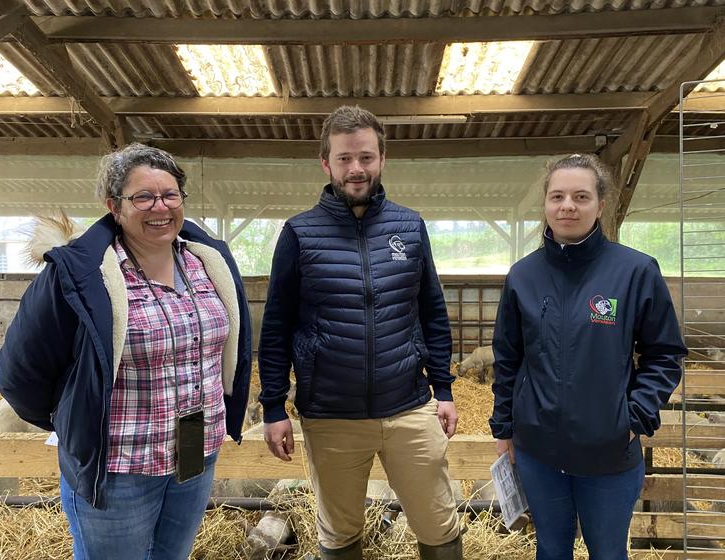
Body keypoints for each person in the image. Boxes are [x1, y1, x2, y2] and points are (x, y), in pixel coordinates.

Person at [0, 144, 252, 560]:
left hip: (195, 452)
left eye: (170, 195)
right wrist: (73, 418)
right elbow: (19, 373)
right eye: (143, 197)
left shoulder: (208, 262)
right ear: (113, 206)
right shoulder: (80, 273)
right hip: (118, 463)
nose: (160, 207)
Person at [258, 105, 462, 560]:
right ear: (326, 162)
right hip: (331, 415)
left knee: (438, 522)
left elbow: (431, 311)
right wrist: (273, 405)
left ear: (382, 159)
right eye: (345, 158)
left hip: (409, 407)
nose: (356, 169)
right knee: (340, 531)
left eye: (366, 157)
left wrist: (444, 388)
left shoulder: (409, 227)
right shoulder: (299, 233)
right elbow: (276, 327)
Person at [489, 153, 687, 560]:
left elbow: (665, 354)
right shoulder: (523, 276)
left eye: (581, 196)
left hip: (609, 453)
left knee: (609, 552)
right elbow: (508, 357)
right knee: (551, 549)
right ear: (545, 203)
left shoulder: (634, 271)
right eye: (557, 196)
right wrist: (505, 427)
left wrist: (633, 419)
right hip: (538, 452)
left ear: (600, 205)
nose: (567, 206)